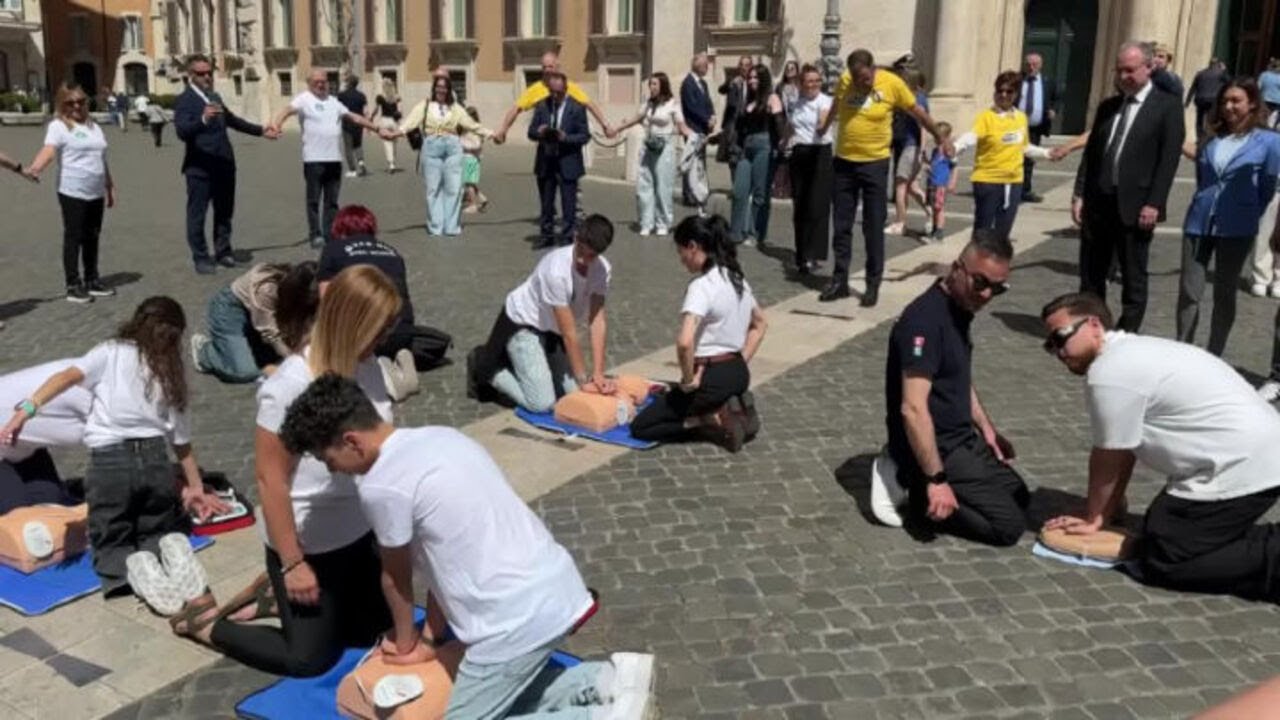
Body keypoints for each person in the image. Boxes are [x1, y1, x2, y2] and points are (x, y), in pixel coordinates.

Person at [277, 375, 655, 719]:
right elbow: (445, 562)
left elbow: (395, 578)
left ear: (351, 442)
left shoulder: (381, 485)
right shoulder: (443, 437)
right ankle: (604, 680)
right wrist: (430, 639)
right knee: (503, 697)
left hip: (511, 623)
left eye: (328, 460)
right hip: (557, 587)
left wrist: (406, 644)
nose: (333, 470)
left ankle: (597, 717)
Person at [165, 265, 401, 677]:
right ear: (351, 324)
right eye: (378, 330)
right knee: (308, 660)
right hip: (308, 544)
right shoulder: (289, 384)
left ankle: (276, 598)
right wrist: (293, 563)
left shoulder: (369, 367)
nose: (384, 339)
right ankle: (208, 625)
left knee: (371, 634)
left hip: (359, 535)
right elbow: (269, 479)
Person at [1041, 292, 1280, 603]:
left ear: (1094, 324)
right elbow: (1122, 447)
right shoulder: (1131, 353)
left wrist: (1094, 518)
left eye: (1061, 337)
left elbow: (1109, 456)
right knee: (1160, 534)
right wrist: (1104, 512)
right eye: (1050, 345)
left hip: (1243, 464)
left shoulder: (1110, 371)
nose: (1058, 351)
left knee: (1164, 561)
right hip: (1250, 454)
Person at [0, 297, 229, 595]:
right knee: (23, 522)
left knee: (52, 506)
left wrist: (191, 485)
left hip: (24, 448)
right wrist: (27, 410)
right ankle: (148, 557)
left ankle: (125, 568)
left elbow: (158, 444)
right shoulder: (95, 382)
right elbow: (147, 450)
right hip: (11, 434)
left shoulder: (130, 365)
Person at [871, 230, 1028, 546]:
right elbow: (912, 408)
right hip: (939, 446)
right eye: (980, 283)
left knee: (1019, 495)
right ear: (957, 268)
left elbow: (958, 378)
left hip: (961, 438)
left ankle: (931, 482)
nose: (986, 294)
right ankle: (912, 486)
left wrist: (987, 429)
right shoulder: (924, 322)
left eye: (998, 288)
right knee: (1008, 527)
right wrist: (937, 480)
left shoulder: (960, 309)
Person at [817, 49, 951, 306]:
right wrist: (824, 126)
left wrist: (939, 136)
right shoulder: (845, 81)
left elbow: (918, 112)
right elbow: (836, 105)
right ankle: (840, 280)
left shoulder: (892, 84)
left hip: (875, 164)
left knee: (872, 225)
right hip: (844, 162)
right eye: (857, 80)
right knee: (842, 225)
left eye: (866, 79)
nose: (862, 84)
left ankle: (872, 283)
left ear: (873, 68)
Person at [1072, 41, 1185, 333]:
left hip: (1136, 206)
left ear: (1149, 67)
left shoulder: (1167, 106)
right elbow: (1092, 155)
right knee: (1091, 274)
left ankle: (1127, 334)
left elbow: (1168, 161)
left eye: (1130, 70)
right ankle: (1093, 328)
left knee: (1133, 276)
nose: (1123, 76)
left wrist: (1154, 202)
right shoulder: (1108, 107)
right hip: (1099, 203)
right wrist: (1080, 193)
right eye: (1119, 70)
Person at [631, 216, 767, 452]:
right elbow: (761, 323)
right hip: (738, 373)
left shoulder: (702, 286)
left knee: (642, 427)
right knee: (675, 399)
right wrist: (740, 360)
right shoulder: (737, 279)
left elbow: (685, 342)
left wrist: (687, 381)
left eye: (681, 251)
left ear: (693, 246)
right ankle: (725, 407)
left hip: (710, 377)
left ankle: (707, 421)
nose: (681, 259)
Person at [1176, 79, 1280, 358]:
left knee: (1224, 292)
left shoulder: (1269, 141)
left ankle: (1214, 353)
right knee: (1189, 291)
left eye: (1236, 101)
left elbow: (1268, 185)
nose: (1229, 107)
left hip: (1237, 225)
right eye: (1224, 101)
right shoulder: (1211, 136)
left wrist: (1249, 210)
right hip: (1198, 221)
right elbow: (1203, 177)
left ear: (1252, 103)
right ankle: (1183, 348)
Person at [469, 215, 615, 412]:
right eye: (581, 250)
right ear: (575, 237)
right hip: (524, 324)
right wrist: (583, 381)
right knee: (543, 403)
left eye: (591, 256)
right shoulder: (556, 270)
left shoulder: (602, 269)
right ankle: (488, 367)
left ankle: (531, 366)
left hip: (552, 330)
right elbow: (569, 334)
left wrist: (598, 373)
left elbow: (597, 320)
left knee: (572, 394)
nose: (583, 259)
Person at [318, 204, 453, 400]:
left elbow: (326, 301)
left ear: (340, 228)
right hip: (402, 332)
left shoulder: (334, 249)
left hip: (365, 336)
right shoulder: (392, 252)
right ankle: (395, 360)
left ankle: (382, 373)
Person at [174, 55, 277, 275]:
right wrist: (202, 120)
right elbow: (182, 131)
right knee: (197, 215)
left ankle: (223, 252)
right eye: (201, 73)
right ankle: (201, 257)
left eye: (209, 72)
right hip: (199, 169)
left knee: (224, 212)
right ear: (191, 75)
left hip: (224, 164)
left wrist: (261, 131)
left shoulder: (215, 97)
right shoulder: (185, 100)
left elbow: (232, 121)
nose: (207, 77)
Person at [268, 69, 385, 248]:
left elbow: (354, 117)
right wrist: (276, 124)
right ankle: (315, 234)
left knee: (332, 202)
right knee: (313, 200)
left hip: (334, 159)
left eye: (324, 81)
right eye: (317, 81)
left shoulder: (334, 102)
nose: (321, 84)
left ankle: (330, 234)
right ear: (309, 83)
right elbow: (287, 110)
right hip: (313, 160)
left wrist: (376, 129)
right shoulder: (304, 99)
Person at [24, 82, 116, 304]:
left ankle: (92, 279)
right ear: (61, 104)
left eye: (80, 101)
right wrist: (35, 168)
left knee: (92, 235)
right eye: (70, 102)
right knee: (74, 237)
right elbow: (49, 150)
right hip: (72, 190)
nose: (76, 106)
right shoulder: (58, 126)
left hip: (95, 190)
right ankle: (73, 285)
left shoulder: (94, 126)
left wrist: (109, 185)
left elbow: (101, 158)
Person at [951, 70, 1055, 240]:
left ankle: (997, 257)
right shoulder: (986, 117)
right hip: (988, 181)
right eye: (1000, 90)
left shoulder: (1021, 118)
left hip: (1013, 182)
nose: (1003, 95)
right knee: (982, 233)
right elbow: (971, 136)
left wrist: (1047, 153)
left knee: (1002, 233)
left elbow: (1024, 147)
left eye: (1009, 91)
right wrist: (955, 147)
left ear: (1016, 94)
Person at [389, 75, 491, 237]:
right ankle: (436, 226)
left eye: (444, 87)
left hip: (452, 147)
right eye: (438, 86)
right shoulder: (425, 105)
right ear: (434, 88)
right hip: (432, 146)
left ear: (448, 90)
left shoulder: (455, 107)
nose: (441, 90)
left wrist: (491, 133)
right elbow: (410, 122)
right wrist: (395, 133)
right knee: (433, 188)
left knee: (454, 187)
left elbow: (471, 124)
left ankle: (451, 226)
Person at [190, 262, 317, 384]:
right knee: (245, 372)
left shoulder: (306, 289)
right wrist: (293, 360)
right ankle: (205, 351)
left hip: (259, 318)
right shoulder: (267, 289)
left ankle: (247, 345)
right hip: (231, 310)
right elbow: (269, 333)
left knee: (278, 354)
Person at [0, 359, 89, 514]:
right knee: (20, 517)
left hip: (25, 449)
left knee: (52, 507)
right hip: (10, 445)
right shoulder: (90, 390)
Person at [614, 72, 689, 236]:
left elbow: (682, 126)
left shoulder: (672, 104)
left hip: (665, 148)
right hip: (648, 146)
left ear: (663, 85)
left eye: (655, 84)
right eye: (650, 84)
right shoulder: (648, 104)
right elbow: (636, 118)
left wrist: (695, 137)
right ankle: (646, 222)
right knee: (644, 185)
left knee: (663, 187)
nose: (651, 87)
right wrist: (617, 128)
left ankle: (663, 222)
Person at [492, 50, 614, 143]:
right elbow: (515, 109)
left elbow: (590, 104)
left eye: (550, 66)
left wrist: (605, 125)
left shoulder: (568, 86)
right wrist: (503, 130)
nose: (547, 70)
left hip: (566, 139)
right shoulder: (535, 89)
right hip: (546, 141)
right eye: (544, 67)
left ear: (557, 67)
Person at [528, 71, 589, 250]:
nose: (554, 96)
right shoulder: (542, 105)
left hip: (568, 161)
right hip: (546, 161)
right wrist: (539, 132)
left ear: (565, 88)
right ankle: (546, 235)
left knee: (568, 202)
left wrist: (565, 137)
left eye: (558, 92)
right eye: (551, 91)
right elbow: (530, 132)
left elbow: (584, 136)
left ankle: (568, 236)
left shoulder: (577, 107)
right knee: (546, 203)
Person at [729, 65, 783, 247]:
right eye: (750, 77)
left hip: (764, 145)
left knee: (760, 193)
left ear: (763, 79)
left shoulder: (772, 98)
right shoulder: (748, 100)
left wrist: (782, 146)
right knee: (739, 191)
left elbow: (780, 124)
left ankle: (755, 233)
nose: (752, 81)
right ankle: (735, 233)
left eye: (756, 77)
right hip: (746, 147)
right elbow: (739, 126)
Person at [786, 65, 833, 274]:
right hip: (800, 152)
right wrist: (783, 142)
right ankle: (801, 254)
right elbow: (791, 126)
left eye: (817, 81)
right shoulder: (796, 103)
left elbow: (822, 124)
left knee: (817, 205)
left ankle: (814, 253)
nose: (813, 84)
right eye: (809, 81)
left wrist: (823, 125)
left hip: (820, 153)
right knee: (800, 205)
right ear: (801, 84)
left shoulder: (825, 101)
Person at [886, 68, 929, 236]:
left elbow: (923, 125)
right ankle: (932, 211)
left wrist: (922, 149)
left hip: (911, 146)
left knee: (900, 185)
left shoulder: (917, 100)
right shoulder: (917, 98)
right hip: (909, 146)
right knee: (912, 186)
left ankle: (900, 223)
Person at [1019, 52, 1057, 203]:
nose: (1031, 67)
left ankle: (1025, 190)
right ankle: (1008, 188)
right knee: (1013, 158)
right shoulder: (1017, 80)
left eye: (1034, 64)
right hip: (1016, 127)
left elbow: (1055, 99)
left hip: (1035, 128)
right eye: (1028, 64)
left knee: (1029, 159)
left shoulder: (1048, 82)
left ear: (1040, 65)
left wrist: (1053, 110)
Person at [680, 53, 716, 212]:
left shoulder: (703, 84)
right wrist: (706, 119)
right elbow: (691, 107)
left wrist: (713, 116)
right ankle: (689, 194)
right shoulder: (688, 83)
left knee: (700, 162)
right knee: (691, 161)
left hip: (703, 128)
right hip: (692, 128)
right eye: (705, 65)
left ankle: (699, 191)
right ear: (697, 65)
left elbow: (708, 102)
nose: (707, 67)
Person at [717, 55, 753, 170]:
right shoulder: (733, 79)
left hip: (748, 124)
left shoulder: (753, 82)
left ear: (751, 67)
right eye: (741, 65)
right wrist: (731, 83)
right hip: (733, 124)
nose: (743, 68)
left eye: (746, 65)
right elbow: (721, 90)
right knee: (732, 158)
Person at [924, 123, 957, 240]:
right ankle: (934, 228)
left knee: (939, 208)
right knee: (933, 208)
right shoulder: (935, 150)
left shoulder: (948, 149)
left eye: (938, 136)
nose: (935, 139)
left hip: (940, 184)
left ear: (946, 137)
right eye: (934, 136)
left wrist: (952, 181)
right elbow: (934, 164)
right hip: (932, 182)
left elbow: (954, 166)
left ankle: (939, 231)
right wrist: (927, 164)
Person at [1188, 57, 1231, 139]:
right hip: (1213, 100)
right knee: (1211, 118)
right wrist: (1224, 70)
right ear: (1218, 64)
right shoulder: (1221, 74)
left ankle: (1199, 136)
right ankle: (1208, 136)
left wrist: (1187, 101)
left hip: (1200, 99)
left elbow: (1193, 88)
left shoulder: (1200, 73)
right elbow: (1229, 82)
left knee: (1199, 119)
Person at [336, 77, 369, 178]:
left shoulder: (342, 95)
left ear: (348, 83)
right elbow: (366, 111)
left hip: (347, 123)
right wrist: (367, 124)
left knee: (348, 147)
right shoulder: (361, 95)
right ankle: (361, 163)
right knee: (358, 145)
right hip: (359, 123)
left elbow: (337, 107)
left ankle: (352, 169)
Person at [460, 106, 490, 214]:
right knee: (470, 181)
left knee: (468, 183)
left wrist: (463, 146)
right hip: (469, 157)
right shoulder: (468, 130)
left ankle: (473, 204)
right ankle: (482, 198)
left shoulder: (473, 131)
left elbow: (476, 145)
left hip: (470, 158)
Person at [371, 78, 402, 173]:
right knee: (394, 142)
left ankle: (391, 164)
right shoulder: (397, 97)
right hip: (394, 121)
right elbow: (400, 110)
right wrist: (399, 121)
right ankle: (393, 162)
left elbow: (376, 109)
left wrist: (372, 116)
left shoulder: (380, 97)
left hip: (385, 120)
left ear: (383, 86)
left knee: (387, 142)